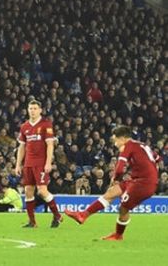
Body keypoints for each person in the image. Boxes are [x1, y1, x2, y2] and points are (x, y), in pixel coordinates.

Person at [64, 126, 160, 241]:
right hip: (139, 180)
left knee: (123, 208)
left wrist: (115, 179)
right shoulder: (141, 144)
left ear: (123, 138)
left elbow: (119, 169)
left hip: (143, 183)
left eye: (116, 140)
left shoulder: (128, 146)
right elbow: (157, 159)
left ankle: (118, 235)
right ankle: (83, 215)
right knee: (111, 193)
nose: (115, 144)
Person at [14, 99, 61, 228]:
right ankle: (32, 222)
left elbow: (50, 145)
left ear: (40, 110)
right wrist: (18, 164)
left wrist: (48, 163)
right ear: (28, 110)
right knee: (28, 191)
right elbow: (22, 147)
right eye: (30, 108)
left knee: (42, 191)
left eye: (35, 108)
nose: (32, 111)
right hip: (28, 164)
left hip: (40, 163)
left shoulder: (46, 124)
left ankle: (57, 215)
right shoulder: (24, 127)